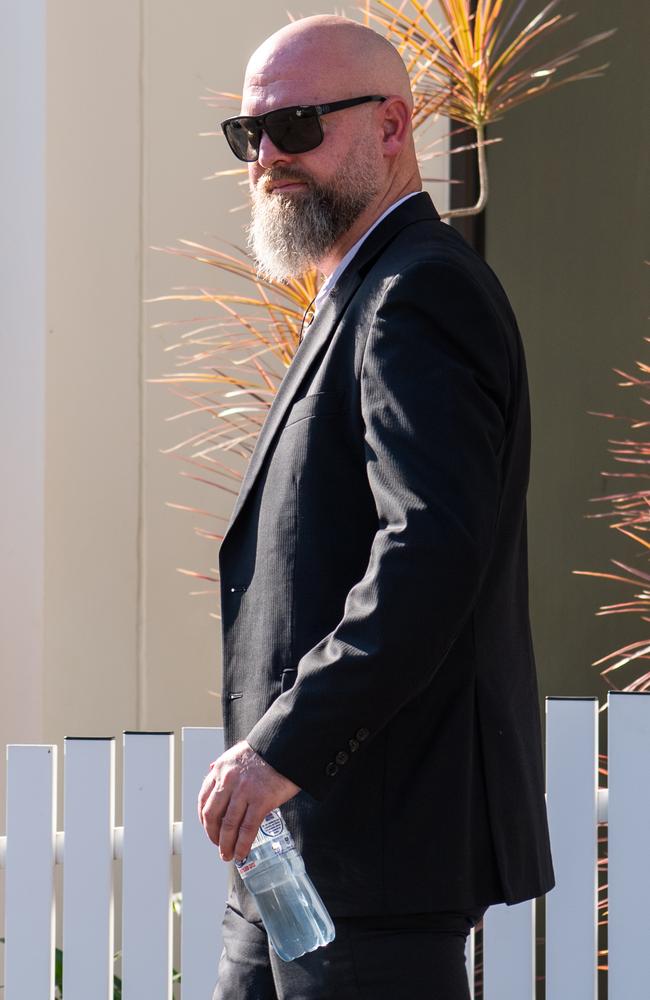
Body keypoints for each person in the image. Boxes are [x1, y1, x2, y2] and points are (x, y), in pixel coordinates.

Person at [198, 13, 555, 1000]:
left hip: (373, 857)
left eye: (299, 125)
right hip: (301, 857)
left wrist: (281, 747)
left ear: (393, 127)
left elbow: (430, 550)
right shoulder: (357, 295)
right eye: (250, 135)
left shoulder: (418, 291)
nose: (269, 156)